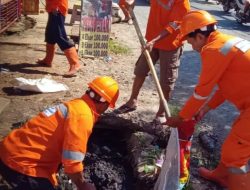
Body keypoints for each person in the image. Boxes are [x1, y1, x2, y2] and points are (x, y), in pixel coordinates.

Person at [166, 10, 250, 189]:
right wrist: (206, 109)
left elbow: (201, 92)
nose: (190, 45)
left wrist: (181, 118)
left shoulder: (214, 50)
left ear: (199, 36)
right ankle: (221, 176)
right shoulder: (224, 42)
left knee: (235, 153)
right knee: (236, 138)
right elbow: (226, 86)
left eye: (189, 40)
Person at [0, 76, 119, 190]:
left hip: (7, 150)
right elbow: (72, 161)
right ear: (106, 104)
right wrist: (82, 185)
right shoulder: (83, 116)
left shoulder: (76, 104)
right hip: (22, 165)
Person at [115, 0, 190, 123]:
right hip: (151, 40)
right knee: (140, 70)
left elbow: (174, 25)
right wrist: (130, 2)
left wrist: (154, 40)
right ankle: (132, 101)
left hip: (170, 45)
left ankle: (161, 114)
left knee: (167, 81)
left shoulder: (182, 2)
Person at [37, 0, 81, 76]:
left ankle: (75, 64)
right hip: (53, 7)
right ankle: (48, 59)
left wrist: (55, 7)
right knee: (50, 34)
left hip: (57, 8)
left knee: (60, 36)